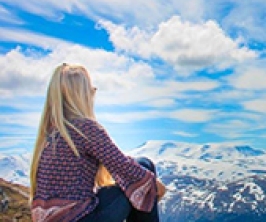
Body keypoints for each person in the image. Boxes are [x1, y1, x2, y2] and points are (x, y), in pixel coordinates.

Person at [29, 63, 166, 221]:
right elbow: (123, 166)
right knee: (144, 166)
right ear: (83, 95)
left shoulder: (50, 134)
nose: (93, 93)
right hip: (79, 218)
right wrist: (154, 185)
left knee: (140, 175)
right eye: (91, 90)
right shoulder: (84, 128)